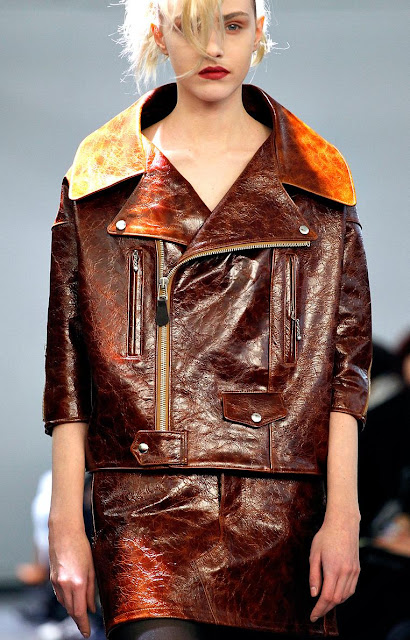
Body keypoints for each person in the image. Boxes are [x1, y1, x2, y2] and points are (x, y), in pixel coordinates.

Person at [42, 1, 372, 639]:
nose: (213, 47)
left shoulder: (317, 180)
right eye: (190, 26)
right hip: (144, 503)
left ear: (259, 32)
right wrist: (65, 523)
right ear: (159, 33)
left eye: (232, 24)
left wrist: (344, 515)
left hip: (280, 505)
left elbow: (345, 365)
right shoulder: (100, 178)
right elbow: (69, 362)